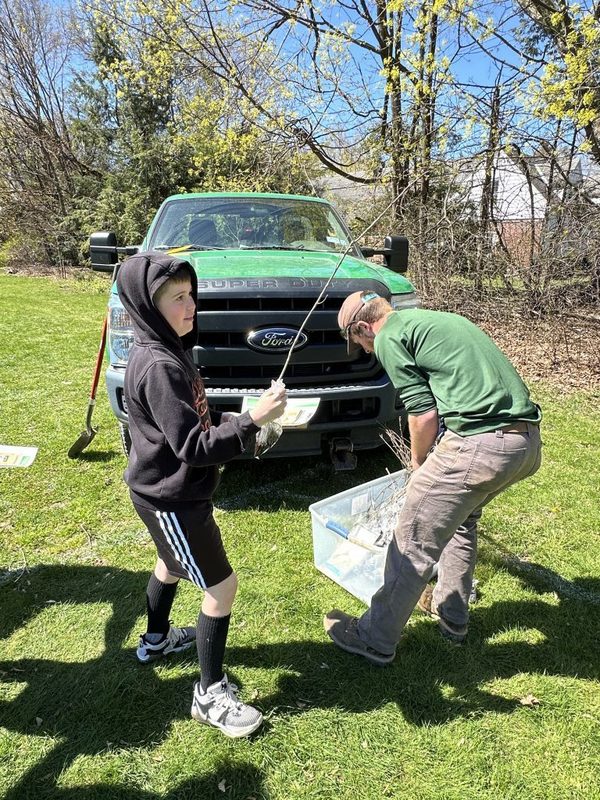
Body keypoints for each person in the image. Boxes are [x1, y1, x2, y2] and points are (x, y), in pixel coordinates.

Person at [116, 252, 287, 737]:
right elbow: (193, 447)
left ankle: (155, 640)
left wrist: (240, 419)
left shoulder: (168, 349)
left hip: (163, 493)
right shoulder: (159, 366)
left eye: (192, 295)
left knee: (170, 564)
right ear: (148, 306)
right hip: (173, 498)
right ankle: (208, 694)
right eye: (177, 298)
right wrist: (254, 420)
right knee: (221, 588)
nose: (191, 305)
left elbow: (191, 427)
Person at [324, 291, 542, 665]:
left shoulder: (390, 336)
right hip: (525, 444)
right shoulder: (436, 320)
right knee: (461, 521)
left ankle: (374, 638)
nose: (364, 350)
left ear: (364, 327)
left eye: (359, 343)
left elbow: (423, 414)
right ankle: (451, 616)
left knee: (412, 538)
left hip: (480, 444)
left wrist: (418, 462)